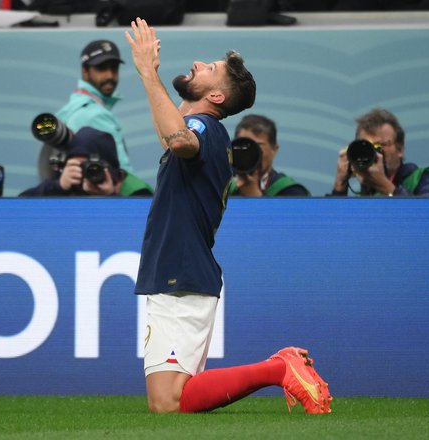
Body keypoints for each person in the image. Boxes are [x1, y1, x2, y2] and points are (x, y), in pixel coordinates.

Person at [125, 17, 332, 414]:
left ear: (217, 97)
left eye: (211, 69)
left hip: (180, 274)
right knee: (175, 399)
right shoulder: (204, 128)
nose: (200, 63)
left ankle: (278, 368)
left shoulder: (204, 128)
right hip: (181, 272)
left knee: (168, 402)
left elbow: (179, 138)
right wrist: (148, 78)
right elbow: (170, 134)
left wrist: (148, 72)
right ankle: (276, 368)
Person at [54, 39, 133, 173]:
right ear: (85, 71)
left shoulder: (69, 109)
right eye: (101, 68)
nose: (110, 75)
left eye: (114, 68)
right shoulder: (95, 115)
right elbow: (122, 174)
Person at [331, 108, 429, 196]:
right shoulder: (363, 194)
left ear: (400, 149)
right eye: (367, 147)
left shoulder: (422, 179)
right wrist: (339, 185)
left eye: (380, 145)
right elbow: (329, 226)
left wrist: (387, 188)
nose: (373, 154)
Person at [20, 126, 152, 196]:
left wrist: (109, 197)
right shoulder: (69, 186)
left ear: (119, 176)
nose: (88, 174)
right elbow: (16, 209)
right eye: (80, 167)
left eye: (93, 166)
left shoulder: (138, 192)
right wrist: (58, 186)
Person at [230, 114, 310, 196]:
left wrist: (255, 195)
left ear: (274, 150)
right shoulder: (225, 190)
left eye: (258, 145)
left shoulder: (293, 192)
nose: (249, 152)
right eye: (244, 146)